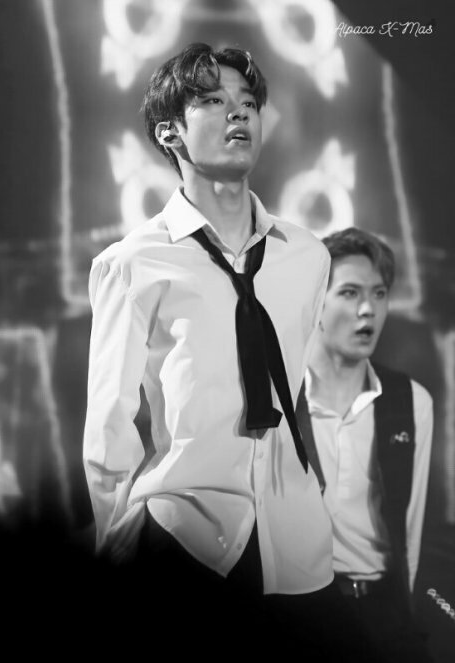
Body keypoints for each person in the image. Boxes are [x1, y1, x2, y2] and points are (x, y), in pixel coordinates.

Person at [83, 43, 375, 658]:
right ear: (170, 133)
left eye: (247, 102)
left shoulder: (307, 256)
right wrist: (117, 538)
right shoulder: (132, 262)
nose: (238, 113)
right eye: (213, 101)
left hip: (297, 539)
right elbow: (108, 421)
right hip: (184, 533)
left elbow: (295, 386)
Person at [296, 227, 434, 662]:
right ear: (315, 302)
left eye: (379, 294)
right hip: (298, 610)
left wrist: (408, 618)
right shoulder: (279, 398)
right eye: (350, 292)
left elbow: (411, 531)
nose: (367, 310)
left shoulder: (411, 402)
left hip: (381, 612)